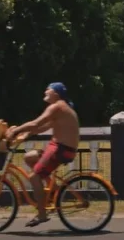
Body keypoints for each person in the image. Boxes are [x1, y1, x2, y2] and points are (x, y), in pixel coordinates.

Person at [5, 82, 80, 227]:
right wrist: (24, 134)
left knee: (34, 176)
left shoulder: (57, 107)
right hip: (59, 147)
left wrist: (16, 130)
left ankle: (42, 214)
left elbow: (35, 123)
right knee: (29, 157)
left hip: (61, 149)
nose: (45, 91)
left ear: (56, 94)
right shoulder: (60, 108)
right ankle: (54, 191)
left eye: (49, 89)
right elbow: (40, 128)